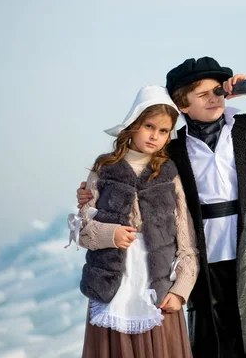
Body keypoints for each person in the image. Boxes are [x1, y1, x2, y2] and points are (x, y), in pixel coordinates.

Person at [78, 57, 246, 357]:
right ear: (182, 106)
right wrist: (87, 194)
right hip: (206, 257)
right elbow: (131, 183)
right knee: (219, 345)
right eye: (202, 95)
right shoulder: (172, 149)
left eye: (217, 91)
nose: (214, 99)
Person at [68, 85, 199, 358]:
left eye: (163, 131)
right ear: (133, 125)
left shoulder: (169, 173)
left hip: (158, 286)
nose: (155, 136)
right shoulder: (104, 169)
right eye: (149, 126)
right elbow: (81, 229)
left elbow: (186, 238)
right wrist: (110, 234)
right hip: (113, 285)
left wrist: (180, 290)